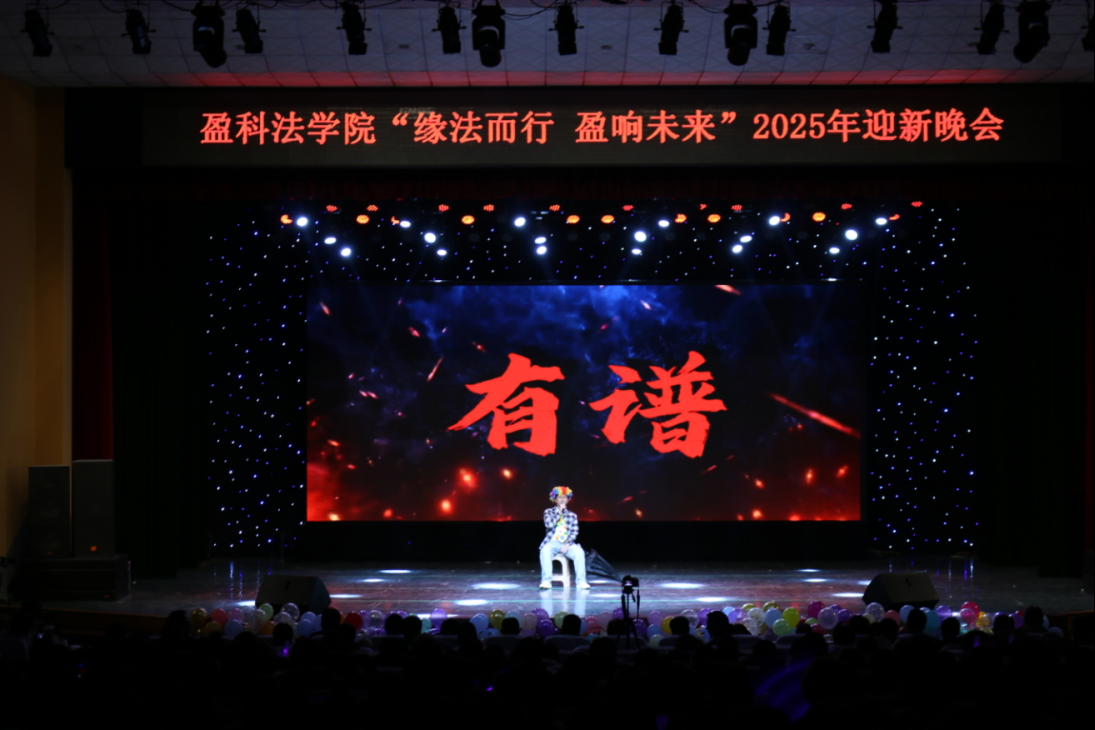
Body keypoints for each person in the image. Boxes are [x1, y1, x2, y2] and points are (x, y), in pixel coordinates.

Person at [539, 486, 590, 590]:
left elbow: (574, 532)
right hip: (552, 543)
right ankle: (546, 581)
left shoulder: (572, 515)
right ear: (555, 500)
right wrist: (559, 513)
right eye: (560, 497)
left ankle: (581, 582)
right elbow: (549, 525)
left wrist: (567, 544)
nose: (562, 499)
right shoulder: (549, 512)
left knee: (579, 552)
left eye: (564, 497)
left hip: (567, 543)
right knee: (544, 551)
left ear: (567, 500)